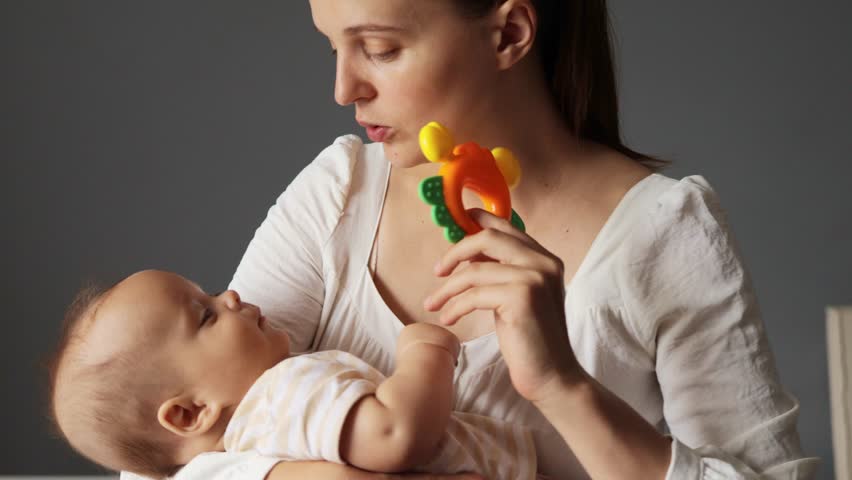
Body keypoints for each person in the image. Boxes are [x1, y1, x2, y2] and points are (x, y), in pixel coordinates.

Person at [119, 0, 818, 478]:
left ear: (510, 33)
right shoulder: (339, 194)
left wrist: (561, 385)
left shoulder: (664, 235)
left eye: (380, 48)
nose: (343, 87)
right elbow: (164, 450)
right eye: (333, 46)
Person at [48, 270, 536, 479]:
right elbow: (397, 433)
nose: (232, 297)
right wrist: (427, 350)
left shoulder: (240, 452)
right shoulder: (282, 396)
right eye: (206, 316)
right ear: (190, 412)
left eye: (212, 293)